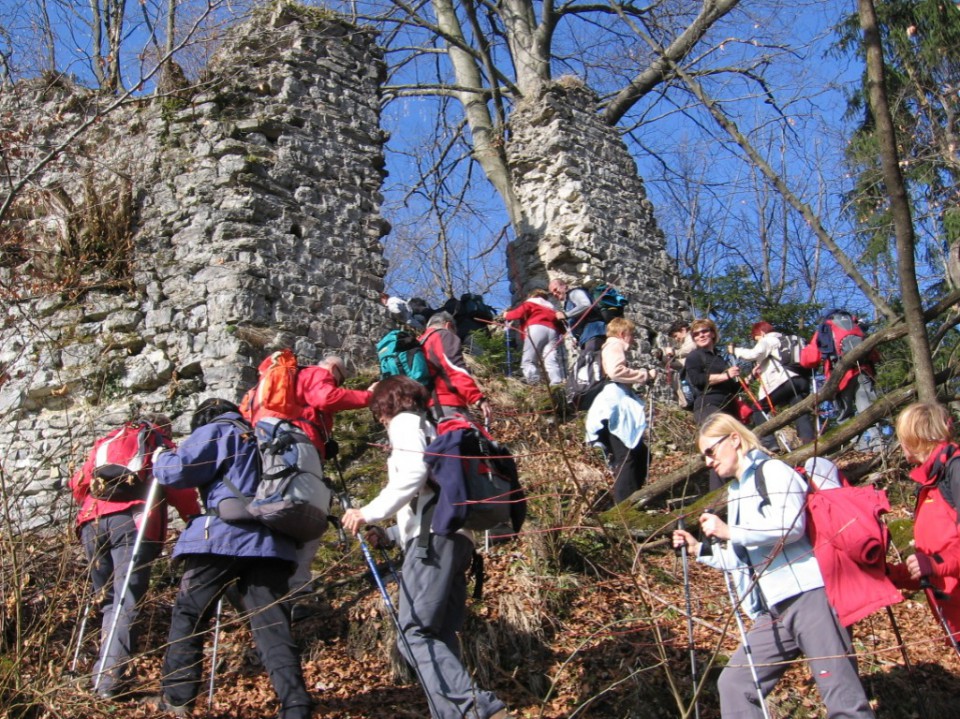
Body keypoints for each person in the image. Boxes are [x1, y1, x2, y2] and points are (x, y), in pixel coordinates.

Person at [672, 414, 876, 719]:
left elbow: (790, 526)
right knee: (735, 684)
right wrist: (699, 549)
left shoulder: (773, 471)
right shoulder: (738, 490)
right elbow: (747, 557)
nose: (707, 462)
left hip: (811, 596)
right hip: (773, 609)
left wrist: (730, 532)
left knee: (842, 698)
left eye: (710, 452)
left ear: (734, 439)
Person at [341, 376, 513, 719]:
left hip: (431, 541)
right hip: (457, 540)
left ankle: (475, 707)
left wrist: (367, 512)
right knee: (438, 634)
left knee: (414, 631)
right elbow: (431, 493)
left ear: (389, 402)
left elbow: (414, 474)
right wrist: (390, 535)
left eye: (378, 408)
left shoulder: (405, 423)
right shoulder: (431, 426)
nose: (378, 417)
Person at [150, 399, 312, 719]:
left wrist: (160, 456)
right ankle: (296, 705)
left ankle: (177, 700)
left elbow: (177, 470)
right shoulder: (264, 436)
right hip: (271, 543)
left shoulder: (218, 429)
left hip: (220, 538)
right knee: (273, 626)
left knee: (189, 616)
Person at [69, 414, 200, 699]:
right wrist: (195, 518)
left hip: (92, 522)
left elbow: (77, 483)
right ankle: (109, 682)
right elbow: (180, 487)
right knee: (126, 600)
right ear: (164, 429)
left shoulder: (106, 443)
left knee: (106, 600)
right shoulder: (161, 444)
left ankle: (100, 673)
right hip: (133, 523)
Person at [243, 354, 373, 605]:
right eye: (341, 378)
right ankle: (298, 590)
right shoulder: (318, 373)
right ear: (335, 368)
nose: (337, 383)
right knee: (309, 514)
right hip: (297, 452)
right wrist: (369, 396)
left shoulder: (285, 385)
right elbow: (326, 398)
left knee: (276, 511)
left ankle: (270, 586)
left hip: (269, 447)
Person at [887, 402, 960, 646]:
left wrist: (934, 564)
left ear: (913, 437)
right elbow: (929, 562)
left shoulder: (955, 471)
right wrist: (891, 574)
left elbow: (937, 562)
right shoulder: (930, 482)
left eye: (901, 437)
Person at [585, 318, 656, 502]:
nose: (632, 340)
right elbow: (616, 372)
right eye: (631, 335)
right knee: (627, 457)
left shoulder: (608, 347)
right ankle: (625, 507)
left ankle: (634, 498)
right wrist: (644, 375)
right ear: (623, 334)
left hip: (610, 407)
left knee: (640, 454)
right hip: (614, 408)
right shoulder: (614, 345)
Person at [728, 321, 815, 451]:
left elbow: (753, 354)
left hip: (785, 381)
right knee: (799, 408)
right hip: (801, 380)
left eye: (756, 338)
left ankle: (769, 443)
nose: (757, 342)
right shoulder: (789, 340)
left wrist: (735, 350)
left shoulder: (768, 340)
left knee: (758, 409)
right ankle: (808, 440)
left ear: (762, 333)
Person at [419, 311, 493, 426]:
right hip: (447, 406)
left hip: (424, 412)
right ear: (448, 325)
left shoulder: (419, 342)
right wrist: (477, 398)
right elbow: (454, 368)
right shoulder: (443, 335)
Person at [682, 318, 741, 425]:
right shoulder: (694, 356)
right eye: (696, 334)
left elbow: (733, 388)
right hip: (708, 406)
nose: (701, 335)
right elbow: (697, 380)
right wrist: (726, 375)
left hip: (729, 406)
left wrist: (752, 377)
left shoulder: (719, 358)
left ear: (713, 334)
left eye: (705, 331)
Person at [503, 288, 565, 386]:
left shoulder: (531, 303)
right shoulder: (551, 308)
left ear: (532, 296)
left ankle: (535, 384)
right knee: (550, 358)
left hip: (536, 328)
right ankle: (557, 382)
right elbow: (561, 327)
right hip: (553, 332)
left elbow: (518, 313)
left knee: (528, 360)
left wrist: (507, 315)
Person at [548, 279, 606, 353]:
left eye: (555, 289)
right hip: (586, 338)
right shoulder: (568, 303)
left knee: (591, 359)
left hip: (594, 332)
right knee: (587, 361)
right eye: (552, 293)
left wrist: (565, 315)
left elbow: (586, 304)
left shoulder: (574, 293)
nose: (555, 293)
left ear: (564, 286)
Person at [664, 319, 696, 408]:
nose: (676, 339)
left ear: (683, 330)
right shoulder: (685, 341)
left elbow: (692, 347)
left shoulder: (692, 336)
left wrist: (674, 352)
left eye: (675, 335)